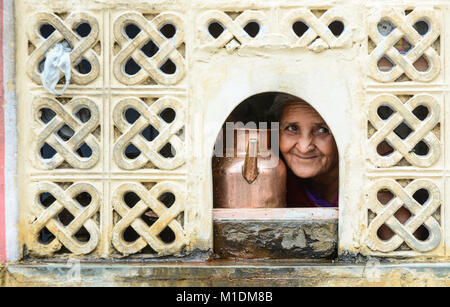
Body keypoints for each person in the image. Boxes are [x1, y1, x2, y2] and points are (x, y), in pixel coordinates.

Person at [272, 94, 339, 208]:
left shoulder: (373, 184)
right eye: (292, 128)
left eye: (322, 130)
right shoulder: (274, 182)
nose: (304, 148)